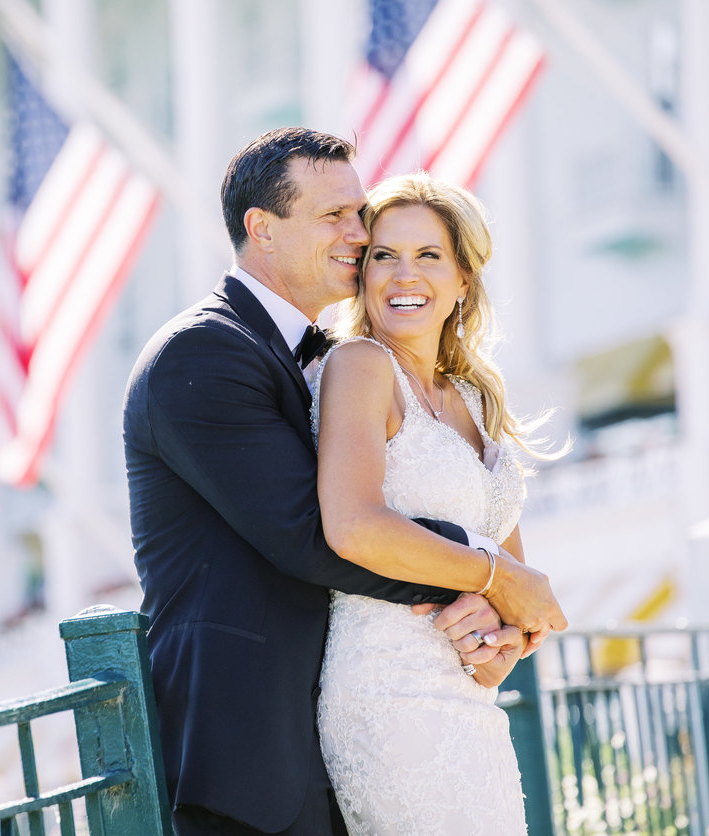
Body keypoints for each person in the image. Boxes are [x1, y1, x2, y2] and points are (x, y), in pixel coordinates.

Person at [124, 127, 565, 835]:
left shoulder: (330, 358)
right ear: (261, 230)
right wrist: (486, 582)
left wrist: (500, 622)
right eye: (336, 217)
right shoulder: (200, 352)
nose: (358, 236)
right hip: (245, 738)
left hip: (358, 722)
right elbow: (315, 535)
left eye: (359, 213)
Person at [313, 172, 564, 834]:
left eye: (428, 256)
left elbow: (510, 577)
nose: (403, 276)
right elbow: (353, 525)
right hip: (388, 693)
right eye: (383, 256)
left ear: (463, 281)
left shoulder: (477, 399)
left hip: (472, 704)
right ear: (361, 275)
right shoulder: (360, 367)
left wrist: (505, 646)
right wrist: (495, 580)